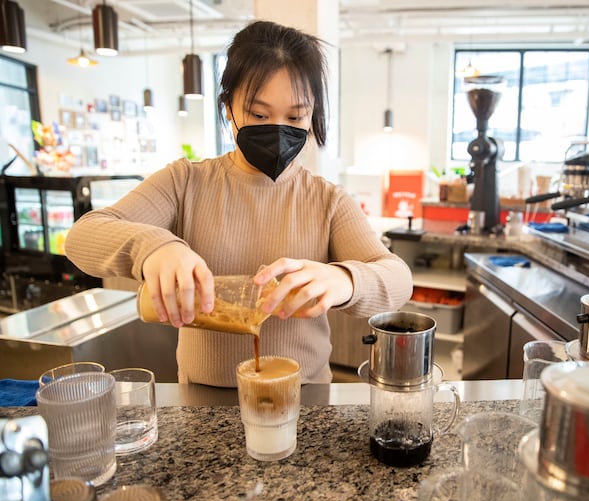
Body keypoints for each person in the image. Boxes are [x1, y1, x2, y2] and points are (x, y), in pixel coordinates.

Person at [64, 20, 413, 386]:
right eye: (260, 115)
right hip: (201, 400)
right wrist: (155, 249)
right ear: (228, 106)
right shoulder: (185, 183)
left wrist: (344, 279)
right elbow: (82, 236)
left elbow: (398, 278)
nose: (278, 128)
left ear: (313, 115)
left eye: (295, 116)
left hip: (304, 399)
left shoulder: (326, 200)